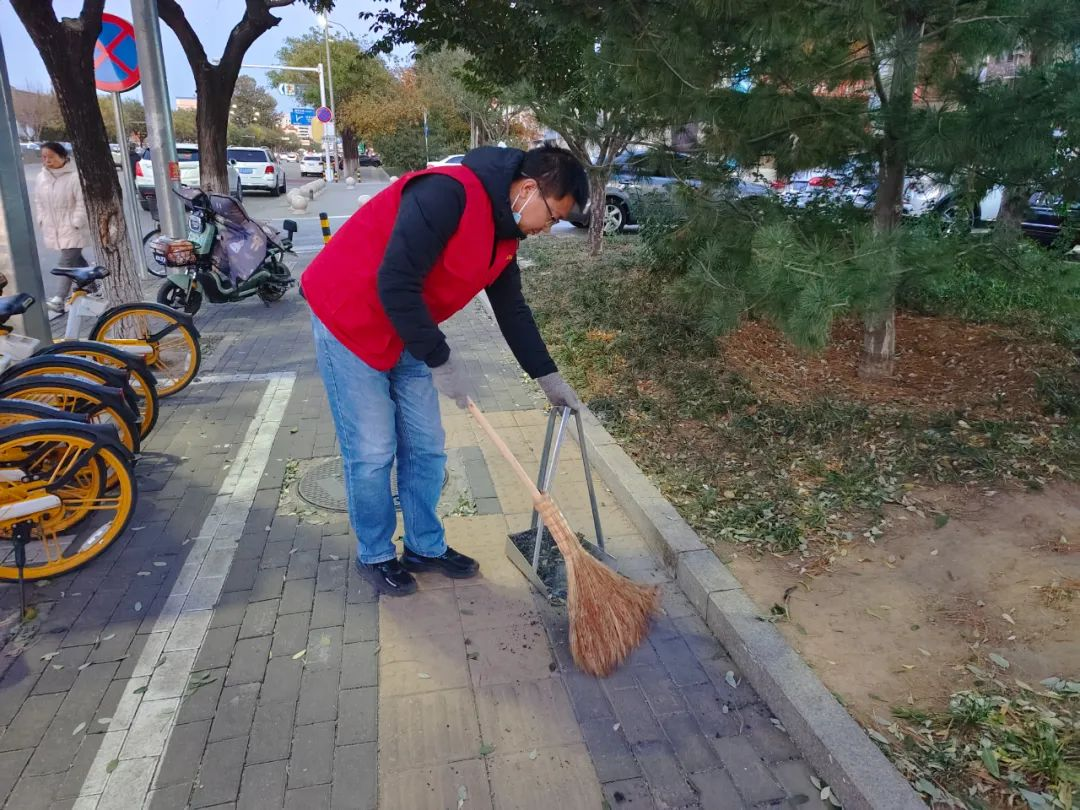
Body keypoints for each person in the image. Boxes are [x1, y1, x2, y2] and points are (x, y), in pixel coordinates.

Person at [302, 145, 589, 596]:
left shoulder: (506, 234)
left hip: (409, 327)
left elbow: (512, 309)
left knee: (427, 446)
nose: (549, 228)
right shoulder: (446, 194)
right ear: (529, 189)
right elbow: (396, 281)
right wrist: (440, 359)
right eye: (553, 216)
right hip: (349, 316)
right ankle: (375, 554)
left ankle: (424, 547)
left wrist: (547, 377)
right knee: (373, 451)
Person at [35, 142, 90, 317]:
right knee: (76, 260)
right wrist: (41, 218)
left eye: (51, 156)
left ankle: (59, 299)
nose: (47, 160)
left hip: (73, 227)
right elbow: (39, 201)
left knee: (66, 263)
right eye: (44, 157)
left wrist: (77, 221)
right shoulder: (41, 177)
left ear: (63, 156)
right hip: (55, 227)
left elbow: (82, 202)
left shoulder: (74, 177)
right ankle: (92, 288)